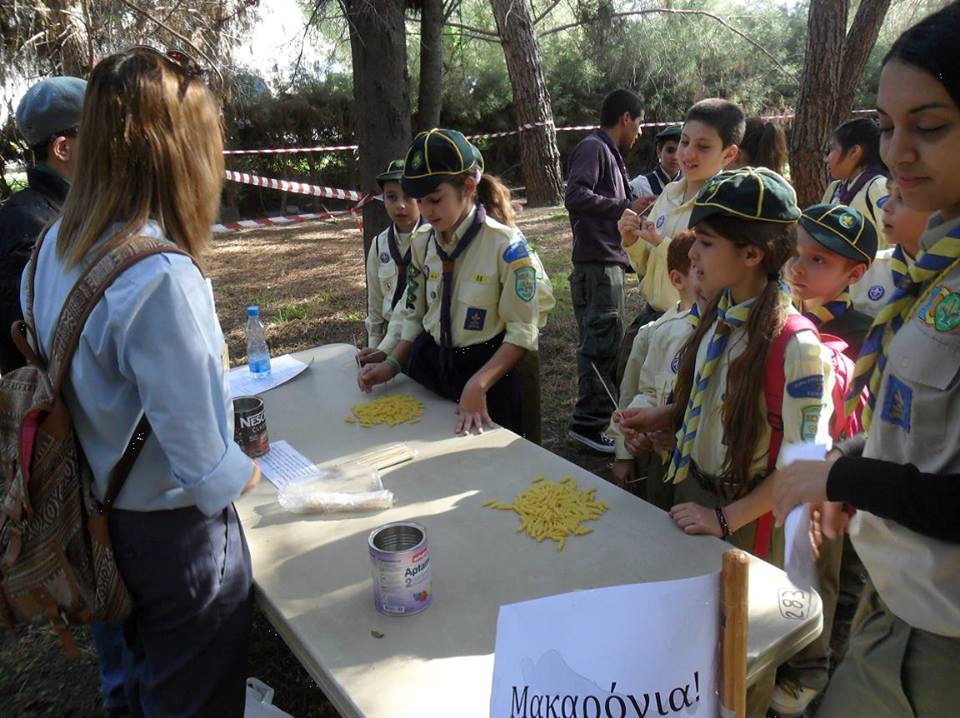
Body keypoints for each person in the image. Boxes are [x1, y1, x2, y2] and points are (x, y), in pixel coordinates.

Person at [24, 47, 260, 717]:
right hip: (178, 541)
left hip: (99, 519)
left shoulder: (52, 251)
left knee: (146, 681)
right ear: (177, 149)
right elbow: (204, 469)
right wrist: (248, 473)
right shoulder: (158, 274)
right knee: (193, 700)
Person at [772, 4, 960, 715]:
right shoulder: (939, 263)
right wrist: (854, 465)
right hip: (891, 606)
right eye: (886, 127)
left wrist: (846, 472)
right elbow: (924, 429)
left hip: (940, 643)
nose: (895, 153)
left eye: (930, 126)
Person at [620, 168, 835, 718]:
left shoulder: (797, 348)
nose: (693, 252)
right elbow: (708, 401)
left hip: (747, 520)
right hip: (694, 493)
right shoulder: (717, 313)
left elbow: (805, 468)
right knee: (691, 642)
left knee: (741, 664)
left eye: (708, 242)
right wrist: (664, 418)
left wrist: (725, 518)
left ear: (753, 254)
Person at [358, 129, 543, 438]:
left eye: (434, 199)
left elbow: (522, 331)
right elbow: (414, 315)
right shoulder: (422, 244)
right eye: (421, 200)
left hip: (488, 375)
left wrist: (479, 383)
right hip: (431, 368)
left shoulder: (506, 246)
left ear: (468, 187)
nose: (426, 211)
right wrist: (392, 363)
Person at [771, 203, 877, 716]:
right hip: (782, 465)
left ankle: (810, 668)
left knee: (820, 568)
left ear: (854, 274)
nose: (799, 268)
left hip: (834, 476)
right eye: (797, 252)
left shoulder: (867, 332)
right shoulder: (777, 317)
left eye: (819, 262)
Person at [615, 98, 744, 383]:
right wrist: (633, 240)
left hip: (694, 326)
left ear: (728, 154)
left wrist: (663, 244)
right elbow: (647, 267)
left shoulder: (725, 205)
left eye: (703, 146)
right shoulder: (670, 193)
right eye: (685, 142)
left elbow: (706, 275)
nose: (687, 153)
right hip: (654, 317)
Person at [564, 88, 648, 453]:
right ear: (626, 118)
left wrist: (631, 207)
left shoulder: (610, 155)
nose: (641, 133)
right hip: (596, 266)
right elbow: (575, 195)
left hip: (607, 263)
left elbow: (611, 204)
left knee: (607, 342)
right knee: (599, 345)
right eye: (640, 123)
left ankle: (595, 420)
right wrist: (621, 208)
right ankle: (588, 424)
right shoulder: (594, 148)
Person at [0, 76, 85, 375]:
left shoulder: (74, 211)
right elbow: (34, 340)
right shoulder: (28, 224)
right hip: (55, 414)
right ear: (63, 148)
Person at [608, 230, 699, 509]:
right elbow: (638, 392)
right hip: (661, 463)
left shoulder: (729, 330)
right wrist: (626, 448)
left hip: (701, 471)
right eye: (700, 271)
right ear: (677, 279)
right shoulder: (656, 333)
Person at [787, 203, 877, 355]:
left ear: (853, 274)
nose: (796, 267)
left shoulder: (862, 339)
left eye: (817, 259)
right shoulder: (775, 312)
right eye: (794, 252)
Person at [358, 159, 422, 365]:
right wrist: (374, 348)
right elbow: (375, 304)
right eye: (391, 197)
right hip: (386, 338)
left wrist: (383, 352)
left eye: (409, 196)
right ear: (382, 199)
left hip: (418, 339)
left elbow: (411, 306)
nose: (400, 205)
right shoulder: (379, 244)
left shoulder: (433, 242)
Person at [850, 178, 932, 316]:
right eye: (888, 195)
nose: (886, 206)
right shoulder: (863, 271)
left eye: (902, 197)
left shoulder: (952, 276)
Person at [823, 117, 889, 232]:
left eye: (832, 149)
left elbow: (895, 244)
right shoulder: (834, 189)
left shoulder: (878, 187)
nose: (826, 159)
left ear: (854, 152)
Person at [629, 125, 682, 198]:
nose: (675, 157)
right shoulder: (640, 186)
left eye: (680, 152)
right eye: (670, 151)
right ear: (659, 152)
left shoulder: (691, 187)